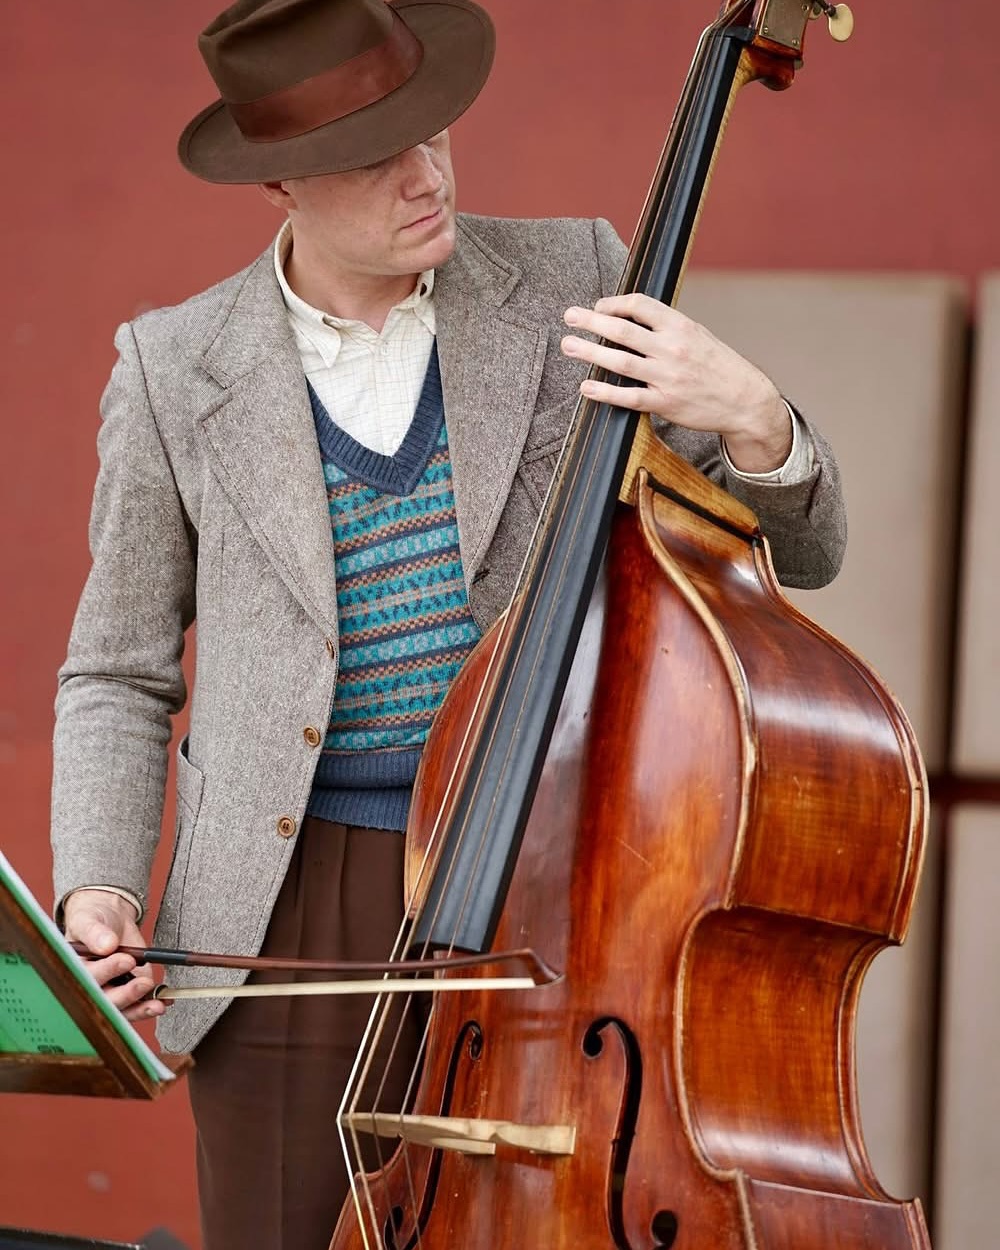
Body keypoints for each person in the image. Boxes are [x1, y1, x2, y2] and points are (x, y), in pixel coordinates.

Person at [50, 0, 847, 1247]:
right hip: (286, 910)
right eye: (376, 155)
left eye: (431, 132)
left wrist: (756, 417)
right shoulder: (168, 366)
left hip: (552, 880)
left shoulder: (576, 274)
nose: (426, 175)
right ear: (278, 182)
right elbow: (115, 668)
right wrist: (95, 881)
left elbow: (805, 550)